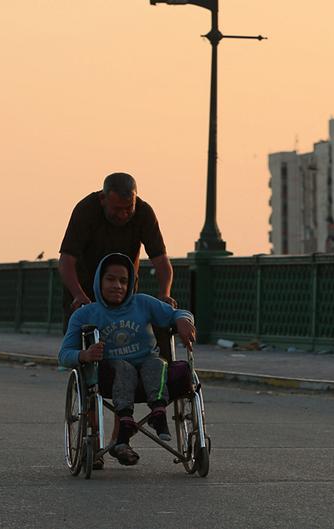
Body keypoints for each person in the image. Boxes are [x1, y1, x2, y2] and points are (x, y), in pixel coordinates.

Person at [59, 253, 195, 466]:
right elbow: (64, 354)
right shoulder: (85, 315)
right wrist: (84, 355)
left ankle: (158, 411)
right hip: (111, 374)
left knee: (158, 363)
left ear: (131, 283)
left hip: (149, 369)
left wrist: (183, 320)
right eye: (110, 279)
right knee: (124, 368)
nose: (118, 286)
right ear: (99, 281)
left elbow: (177, 313)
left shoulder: (143, 303)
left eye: (123, 281)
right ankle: (125, 418)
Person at [59, 172, 176, 332]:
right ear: (103, 199)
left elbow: (161, 260)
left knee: (125, 340)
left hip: (123, 291)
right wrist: (78, 294)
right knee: (79, 344)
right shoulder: (86, 210)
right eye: (117, 209)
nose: (123, 214)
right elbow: (66, 259)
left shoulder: (144, 213)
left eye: (129, 208)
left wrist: (164, 294)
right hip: (85, 289)